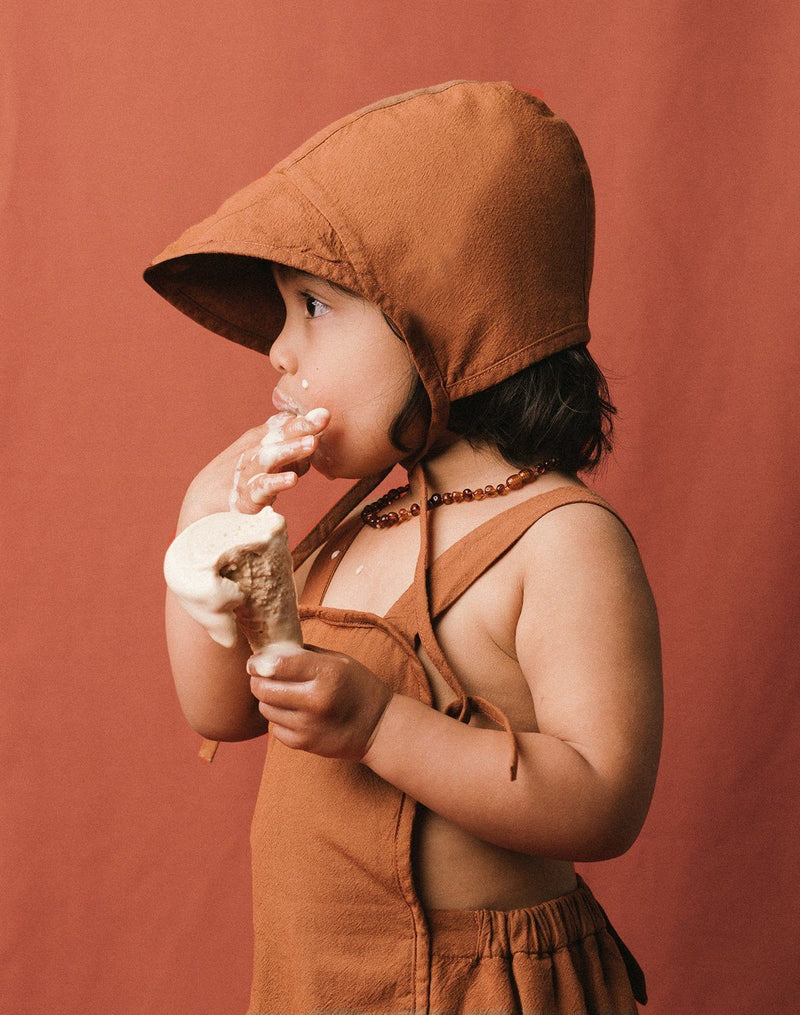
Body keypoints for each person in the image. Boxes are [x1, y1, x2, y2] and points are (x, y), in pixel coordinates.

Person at [145, 80, 662, 1014]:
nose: (279, 351)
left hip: (480, 991)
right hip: (319, 986)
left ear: (449, 317)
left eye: (314, 307)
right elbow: (222, 708)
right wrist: (203, 524)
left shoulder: (559, 541)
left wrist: (383, 727)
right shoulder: (353, 527)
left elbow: (604, 795)